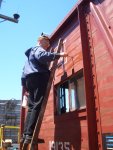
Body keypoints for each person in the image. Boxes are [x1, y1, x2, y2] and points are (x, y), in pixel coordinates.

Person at [21, 33, 68, 144]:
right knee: (37, 105)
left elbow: (23, 73)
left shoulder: (28, 58)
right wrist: (59, 54)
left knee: (32, 107)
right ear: (40, 41)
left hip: (29, 80)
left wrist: (25, 86)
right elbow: (42, 57)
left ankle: (26, 135)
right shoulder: (37, 49)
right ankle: (30, 134)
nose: (48, 45)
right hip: (38, 77)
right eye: (47, 43)